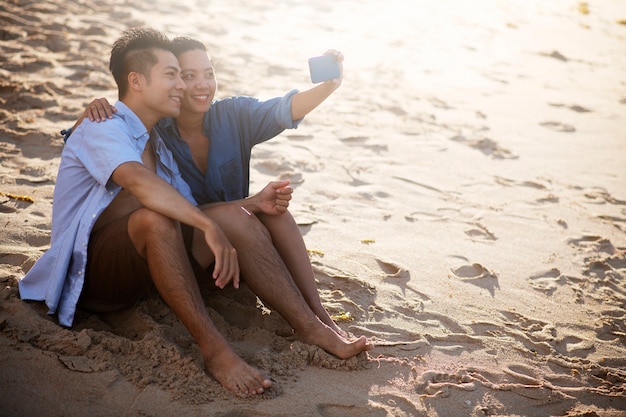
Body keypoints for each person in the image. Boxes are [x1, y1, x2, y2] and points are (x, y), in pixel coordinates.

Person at [20, 27, 372, 397]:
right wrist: (208, 225)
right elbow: (137, 182)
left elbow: (194, 207)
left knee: (228, 217)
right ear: (136, 81)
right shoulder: (103, 125)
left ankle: (312, 325)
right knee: (155, 219)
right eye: (175, 75)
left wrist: (247, 207)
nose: (184, 86)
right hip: (89, 278)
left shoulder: (161, 144)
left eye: (195, 74)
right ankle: (216, 352)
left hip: (146, 276)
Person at [72, 36, 347, 335]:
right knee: (240, 214)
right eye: (188, 76)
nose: (203, 84)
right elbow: (96, 140)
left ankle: (319, 315)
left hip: (236, 245)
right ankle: (309, 325)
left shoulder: (233, 115)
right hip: (188, 252)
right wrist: (87, 113)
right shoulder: (157, 132)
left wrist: (328, 85)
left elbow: (284, 109)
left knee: (275, 211)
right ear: (174, 81)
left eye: (209, 74)